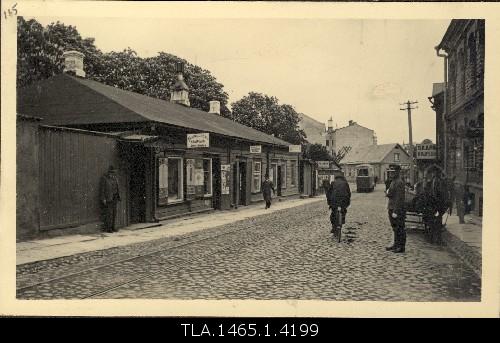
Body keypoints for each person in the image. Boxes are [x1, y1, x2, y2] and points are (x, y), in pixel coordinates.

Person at [385, 165, 406, 253]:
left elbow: (399, 198)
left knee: (399, 228)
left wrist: (396, 211)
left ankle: (401, 247)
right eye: (390, 171)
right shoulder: (393, 181)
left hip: (396, 209)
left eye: (393, 172)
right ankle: (396, 244)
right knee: (395, 228)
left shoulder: (399, 182)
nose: (391, 173)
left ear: (397, 172)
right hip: (391, 207)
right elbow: (391, 193)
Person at [100, 165, 121, 233]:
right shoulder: (104, 178)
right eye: (111, 172)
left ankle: (113, 227)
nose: (112, 174)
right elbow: (102, 190)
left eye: (114, 172)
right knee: (109, 213)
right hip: (109, 198)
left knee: (114, 213)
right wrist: (103, 198)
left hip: (115, 197)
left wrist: (118, 196)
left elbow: (117, 188)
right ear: (109, 172)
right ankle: (108, 228)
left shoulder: (115, 178)